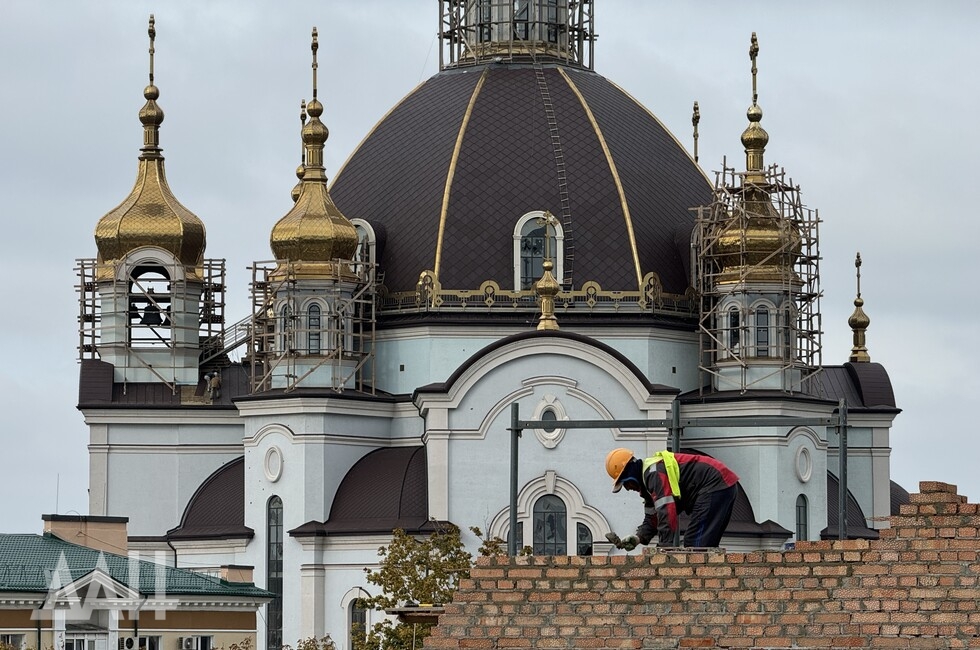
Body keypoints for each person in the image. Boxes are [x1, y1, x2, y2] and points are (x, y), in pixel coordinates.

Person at [605, 448, 739, 549]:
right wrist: (638, 538)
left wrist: (664, 548)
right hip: (721, 485)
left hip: (715, 484)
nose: (628, 488)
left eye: (625, 483)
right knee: (703, 545)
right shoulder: (648, 486)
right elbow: (653, 519)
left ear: (630, 474)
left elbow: (667, 512)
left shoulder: (654, 474)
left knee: (695, 544)